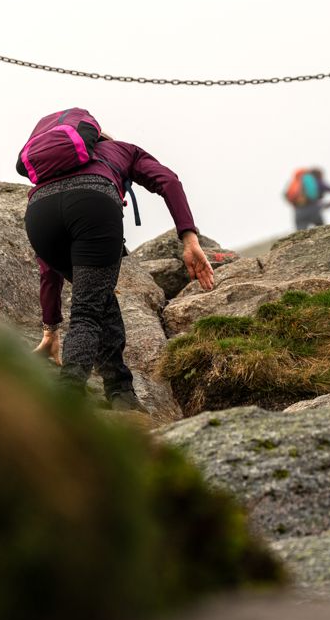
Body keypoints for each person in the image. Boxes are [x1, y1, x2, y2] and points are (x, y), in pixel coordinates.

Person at [20, 109, 215, 413]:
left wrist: (51, 329)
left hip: (39, 214)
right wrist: (189, 238)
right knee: (87, 311)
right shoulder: (122, 149)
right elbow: (168, 181)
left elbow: (49, 270)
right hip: (93, 205)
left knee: (97, 299)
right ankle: (66, 397)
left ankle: (120, 391)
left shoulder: (48, 173)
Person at [285, 166, 330, 231]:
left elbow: (286, 195)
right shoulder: (318, 181)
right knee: (323, 231)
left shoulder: (298, 182)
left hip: (298, 212)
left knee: (300, 235)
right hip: (313, 210)